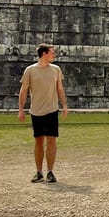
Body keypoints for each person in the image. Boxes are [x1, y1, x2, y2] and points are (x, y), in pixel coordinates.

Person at [18, 43, 68, 183]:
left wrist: (64, 105)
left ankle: (50, 172)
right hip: (36, 111)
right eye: (52, 52)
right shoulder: (30, 70)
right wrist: (21, 109)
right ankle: (39, 172)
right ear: (44, 54)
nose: (54, 55)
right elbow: (24, 91)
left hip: (52, 110)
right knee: (38, 141)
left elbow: (60, 89)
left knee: (51, 140)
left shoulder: (56, 69)